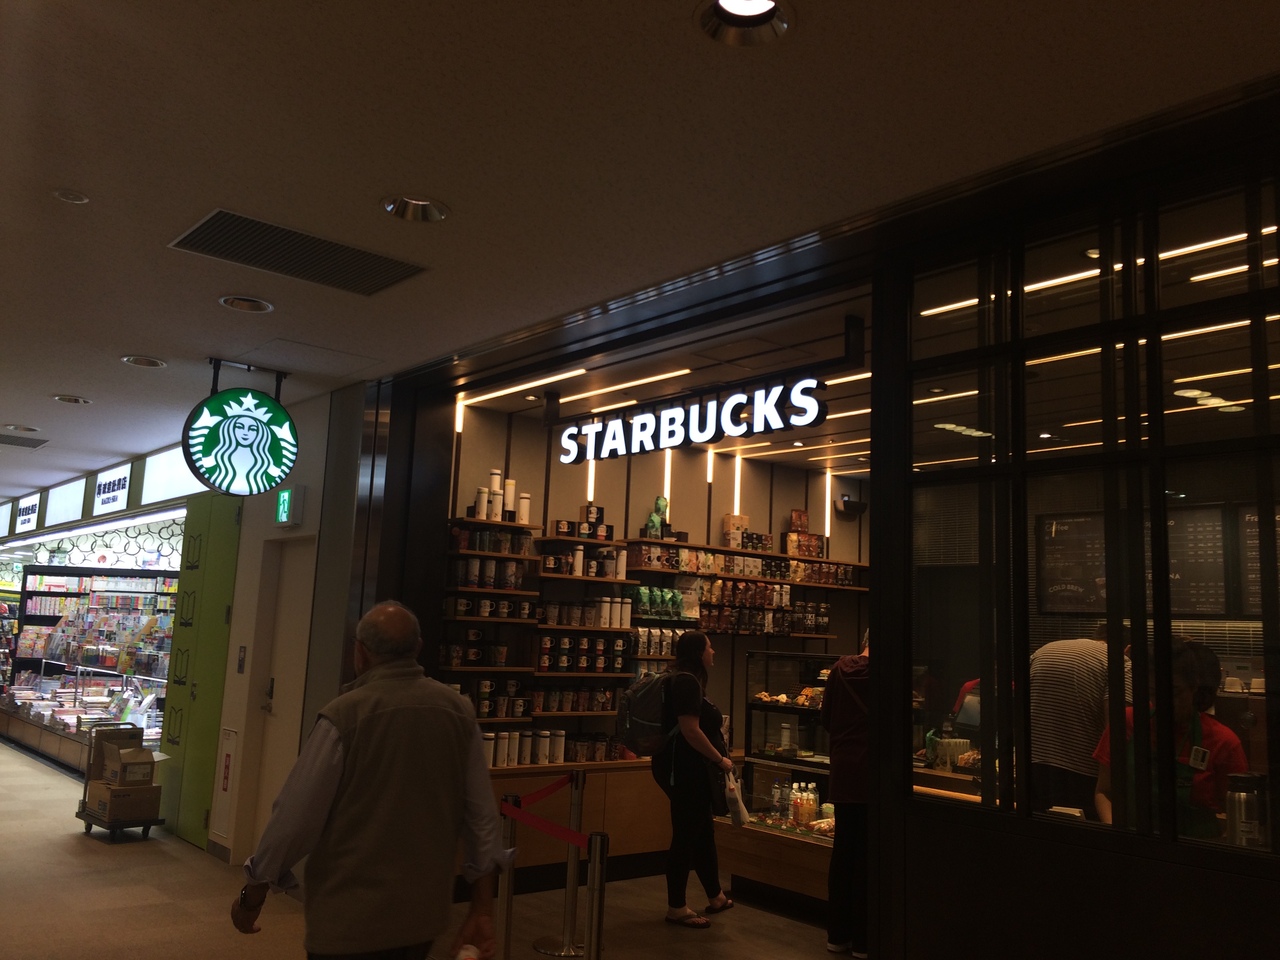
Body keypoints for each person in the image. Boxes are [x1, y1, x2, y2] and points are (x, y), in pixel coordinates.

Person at [230, 600, 509, 960]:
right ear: (418, 648)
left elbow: (295, 818)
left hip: (350, 917)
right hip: (424, 915)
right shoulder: (459, 711)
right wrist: (482, 908)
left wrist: (254, 892)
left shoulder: (344, 716)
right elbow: (482, 817)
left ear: (360, 653)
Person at [1094, 638, 1247, 838]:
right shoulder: (1127, 723)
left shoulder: (1223, 741)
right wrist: (1117, 834)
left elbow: (1237, 815)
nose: (1163, 700)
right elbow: (1105, 792)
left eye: (1174, 692)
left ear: (1194, 686)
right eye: (1153, 692)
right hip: (1134, 843)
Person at [650, 630, 734, 928]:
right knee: (685, 836)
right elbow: (691, 730)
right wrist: (720, 759)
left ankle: (716, 896)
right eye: (710, 647)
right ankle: (677, 907)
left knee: (702, 831)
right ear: (699, 652)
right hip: (685, 771)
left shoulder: (684, 678)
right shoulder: (686, 681)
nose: (714, 652)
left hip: (684, 768)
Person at [1028, 623, 1130, 818]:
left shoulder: (1044, 651)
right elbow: (1116, 726)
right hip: (1084, 774)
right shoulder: (1118, 661)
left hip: (1033, 766)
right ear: (1128, 648)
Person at [820, 630, 870, 960]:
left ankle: (837, 936)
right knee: (867, 858)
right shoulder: (887, 674)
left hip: (842, 771)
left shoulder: (838, 670)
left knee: (842, 855)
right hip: (872, 775)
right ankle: (864, 941)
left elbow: (826, 719)